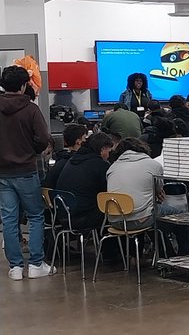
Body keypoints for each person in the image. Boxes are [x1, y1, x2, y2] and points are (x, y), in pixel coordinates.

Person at [0, 64, 55, 280]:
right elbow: (43, 139)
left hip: (2, 174)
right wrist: (32, 149)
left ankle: (15, 267)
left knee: (9, 219)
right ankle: (35, 264)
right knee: (35, 216)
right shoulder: (31, 109)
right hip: (26, 171)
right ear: (24, 86)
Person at [56, 131, 116, 233]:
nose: (109, 155)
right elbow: (109, 192)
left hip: (63, 215)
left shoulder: (72, 160)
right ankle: (109, 247)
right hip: (84, 217)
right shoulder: (100, 165)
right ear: (102, 149)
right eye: (109, 151)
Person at [106, 137, 163, 223]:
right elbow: (159, 190)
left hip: (114, 220)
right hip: (140, 218)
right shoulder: (153, 165)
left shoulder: (112, 168)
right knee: (176, 212)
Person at [44, 123, 87, 190]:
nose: (86, 140)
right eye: (84, 138)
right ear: (78, 142)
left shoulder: (58, 160)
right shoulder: (82, 163)